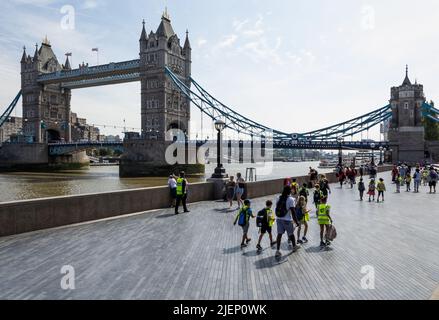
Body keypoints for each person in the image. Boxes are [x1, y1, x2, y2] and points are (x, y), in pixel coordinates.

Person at [274, 186, 300, 259]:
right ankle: (294, 247)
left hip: (279, 219)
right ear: (289, 191)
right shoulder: (291, 199)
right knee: (291, 234)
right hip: (287, 220)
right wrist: (296, 222)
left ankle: (277, 250)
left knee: (279, 234)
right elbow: (293, 212)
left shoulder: (278, 197)